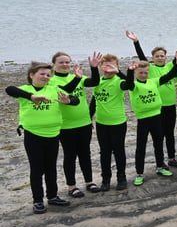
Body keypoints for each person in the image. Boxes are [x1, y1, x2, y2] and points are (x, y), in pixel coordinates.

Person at [6, 62, 79, 214]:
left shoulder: (53, 89)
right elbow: (9, 89)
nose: (46, 77)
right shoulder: (25, 90)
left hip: (53, 134)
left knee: (51, 167)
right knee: (37, 169)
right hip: (33, 135)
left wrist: (69, 101)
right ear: (31, 75)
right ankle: (38, 201)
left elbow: (75, 99)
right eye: (42, 74)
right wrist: (31, 97)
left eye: (48, 75)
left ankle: (52, 196)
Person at [126, 30, 177, 167]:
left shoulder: (169, 66)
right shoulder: (150, 68)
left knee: (170, 133)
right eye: (157, 56)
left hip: (170, 106)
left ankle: (172, 158)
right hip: (157, 108)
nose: (160, 58)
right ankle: (160, 161)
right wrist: (136, 41)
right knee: (159, 136)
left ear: (166, 57)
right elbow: (141, 56)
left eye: (162, 56)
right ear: (153, 58)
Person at [49, 51, 102, 197]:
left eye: (68, 62)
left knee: (85, 153)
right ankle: (72, 186)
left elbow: (94, 82)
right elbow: (67, 90)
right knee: (70, 155)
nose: (65, 65)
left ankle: (89, 182)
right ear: (54, 65)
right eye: (61, 62)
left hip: (84, 122)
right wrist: (77, 78)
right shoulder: (51, 82)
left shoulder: (76, 76)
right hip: (66, 125)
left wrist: (94, 68)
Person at [123, 56, 177, 185]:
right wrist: (129, 70)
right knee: (141, 146)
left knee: (158, 142)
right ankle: (139, 173)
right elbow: (128, 82)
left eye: (146, 72)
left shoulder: (154, 81)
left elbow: (170, 75)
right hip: (143, 119)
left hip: (157, 117)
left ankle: (160, 167)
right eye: (140, 73)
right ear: (136, 73)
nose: (144, 75)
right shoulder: (133, 85)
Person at [91, 54, 129, 191]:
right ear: (101, 67)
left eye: (112, 65)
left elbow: (130, 84)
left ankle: (121, 177)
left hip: (118, 123)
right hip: (101, 123)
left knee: (119, 151)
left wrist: (119, 72)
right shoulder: (98, 82)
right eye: (105, 64)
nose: (108, 67)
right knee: (105, 152)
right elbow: (94, 101)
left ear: (117, 67)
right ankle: (105, 179)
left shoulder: (119, 81)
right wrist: (89, 118)